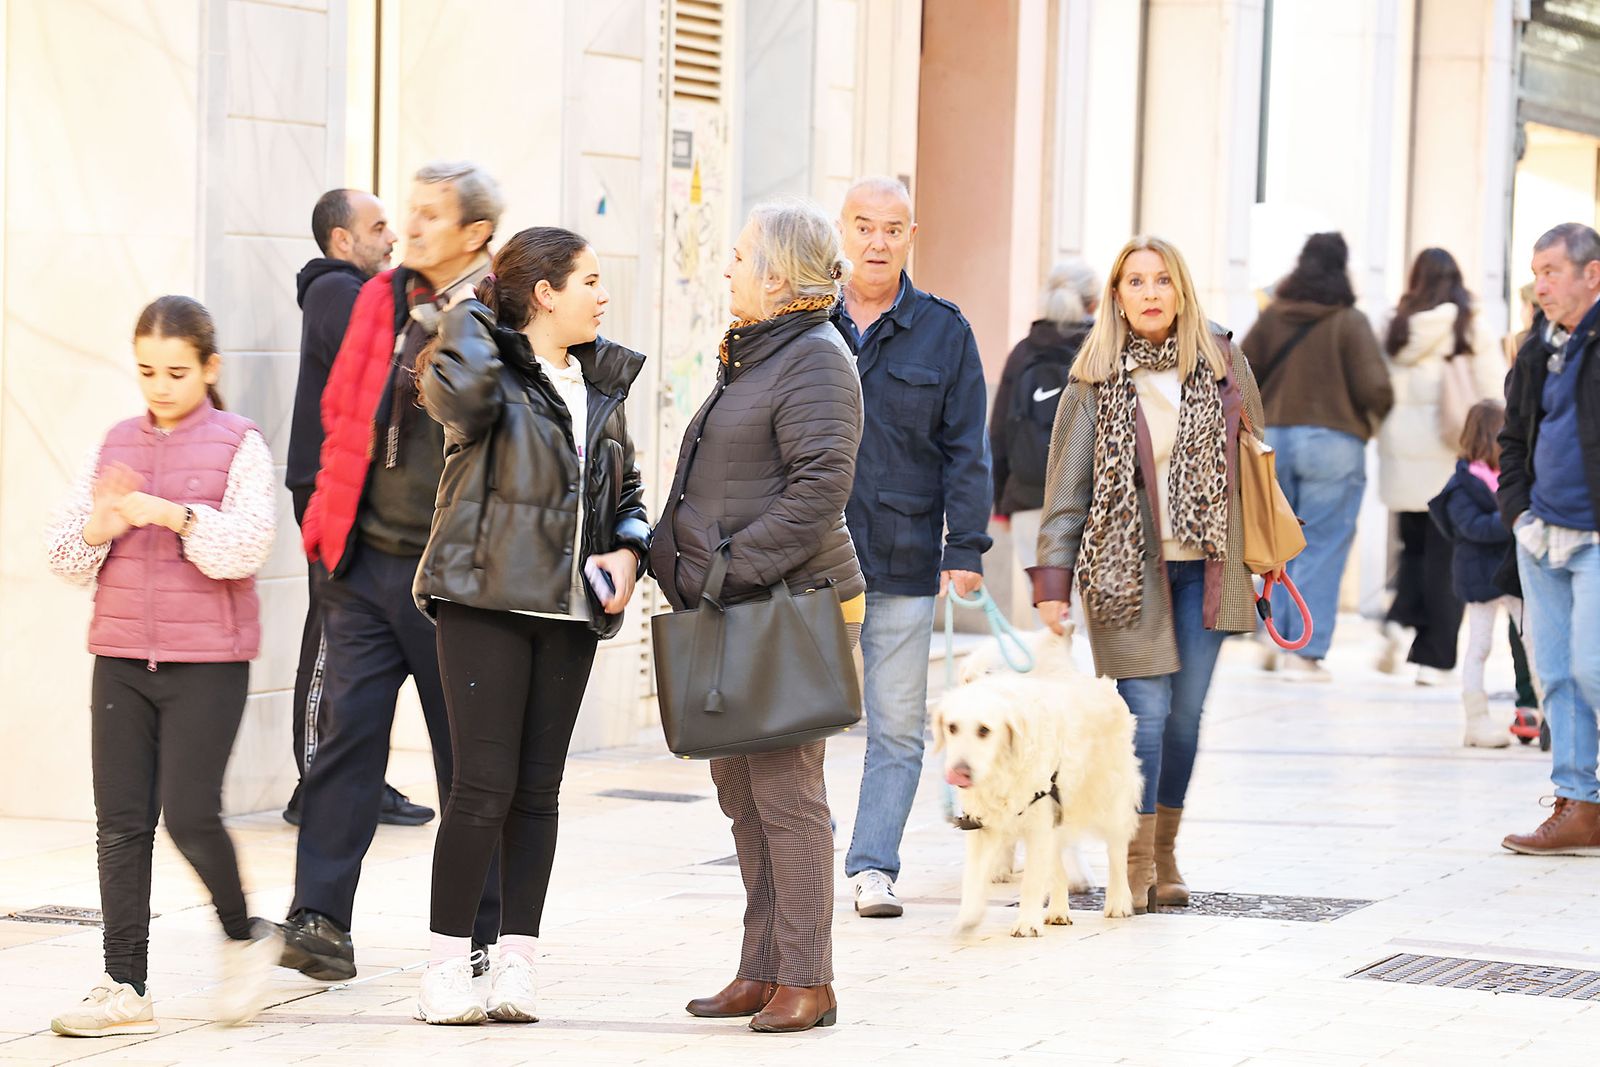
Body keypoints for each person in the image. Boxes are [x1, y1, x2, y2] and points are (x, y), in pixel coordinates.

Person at [409, 228, 650, 1024]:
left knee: (538, 792)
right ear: (544, 292)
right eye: (588, 279)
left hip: (569, 611)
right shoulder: (483, 371)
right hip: (483, 599)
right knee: (481, 788)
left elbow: (628, 491)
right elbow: (460, 398)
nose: (602, 294)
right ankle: (447, 965)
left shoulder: (598, 384)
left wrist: (628, 550)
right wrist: (477, 311)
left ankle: (517, 961)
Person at [278, 161, 504, 980]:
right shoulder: (379, 297)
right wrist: (328, 529)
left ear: (475, 232)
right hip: (364, 563)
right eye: (409, 210)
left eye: (432, 214)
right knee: (347, 742)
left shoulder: (501, 309)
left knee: (467, 763)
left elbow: (487, 416)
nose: (412, 225)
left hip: (456, 581)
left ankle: (487, 935)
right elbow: (341, 414)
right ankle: (319, 920)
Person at [651, 199, 864, 1033]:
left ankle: (808, 977)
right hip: (739, 600)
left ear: (777, 277)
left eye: (739, 256)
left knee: (786, 790)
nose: (728, 267)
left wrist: (725, 567)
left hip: (791, 602)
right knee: (741, 789)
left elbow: (819, 491)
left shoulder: (815, 358)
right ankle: (763, 964)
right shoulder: (759, 352)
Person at [44, 296, 281, 1035]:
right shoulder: (114, 441)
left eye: (177, 371)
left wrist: (173, 514)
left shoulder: (241, 442)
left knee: (188, 812)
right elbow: (64, 556)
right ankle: (124, 983)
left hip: (206, 661)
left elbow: (247, 548)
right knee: (119, 823)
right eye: (147, 370)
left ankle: (245, 938)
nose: (160, 386)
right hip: (117, 656)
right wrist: (100, 523)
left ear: (209, 369)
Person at [1029, 235, 1268, 912]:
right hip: (1122, 573)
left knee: (1186, 716)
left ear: (1181, 290)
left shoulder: (1221, 361)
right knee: (1149, 717)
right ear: (1117, 296)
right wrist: (1052, 582)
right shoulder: (1095, 374)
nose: (1150, 292)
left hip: (1209, 569)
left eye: (1162, 280)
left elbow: (1257, 455)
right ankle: (1132, 858)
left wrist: (1266, 551)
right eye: (1136, 281)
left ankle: (1166, 853)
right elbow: (1064, 491)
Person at [830, 176, 991, 920]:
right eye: (863, 225)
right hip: (809, 559)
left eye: (892, 228)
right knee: (794, 719)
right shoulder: (807, 321)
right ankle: (800, 850)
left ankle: (872, 866)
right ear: (843, 231)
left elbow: (967, 449)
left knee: (895, 724)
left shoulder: (945, 332)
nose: (876, 241)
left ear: (910, 236)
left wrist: (969, 547)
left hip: (901, 555)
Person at [285, 188, 430, 828]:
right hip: (330, 491)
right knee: (329, 643)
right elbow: (387, 361)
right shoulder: (335, 291)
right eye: (378, 228)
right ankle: (317, 783)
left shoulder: (353, 291)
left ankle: (356, 778)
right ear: (343, 241)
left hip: (356, 491)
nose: (392, 238)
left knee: (354, 648)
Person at [1241, 233, 1393, 679]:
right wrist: (1364, 423)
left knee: (1275, 544)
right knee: (1321, 547)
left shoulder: (1273, 318)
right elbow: (1376, 387)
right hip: (1334, 444)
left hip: (1273, 441)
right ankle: (1302, 652)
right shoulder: (1350, 321)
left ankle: (1273, 636)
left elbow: (1238, 370)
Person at [1499, 222, 1600, 856]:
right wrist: (1517, 513)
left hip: (1595, 536)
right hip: (1540, 534)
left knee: (1594, 667)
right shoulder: (1534, 348)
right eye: (1536, 272)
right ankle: (1579, 804)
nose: (1540, 285)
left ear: (1592, 274)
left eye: (1552, 272)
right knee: (1557, 674)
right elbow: (1512, 439)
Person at [1377, 248, 1497, 685]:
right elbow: (1492, 393)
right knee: (1447, 558)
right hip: (1448, 458)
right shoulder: (1468, 325)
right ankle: (1434, 659)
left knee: (1413, 547)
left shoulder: (1396, 326)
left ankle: (1399, 615)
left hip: (1400, 456)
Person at [991, 258, 1100, 569]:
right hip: (1090, 503)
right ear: (1093, 304)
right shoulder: (1101, 352)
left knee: (1046, 609)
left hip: (1026, 500)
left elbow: (999, 431)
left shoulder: (1024, 352)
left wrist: (1003, 501)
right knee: (1084, 613)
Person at [1427, 400, 1517, 748]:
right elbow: (1473, 527)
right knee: (1479, 646)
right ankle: (1476, 721)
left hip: (1510, 575)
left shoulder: (1506, 476)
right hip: (1480, 579)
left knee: (1533, 643)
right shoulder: (1462, 483)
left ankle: (1548, 714)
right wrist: (1513, 516)